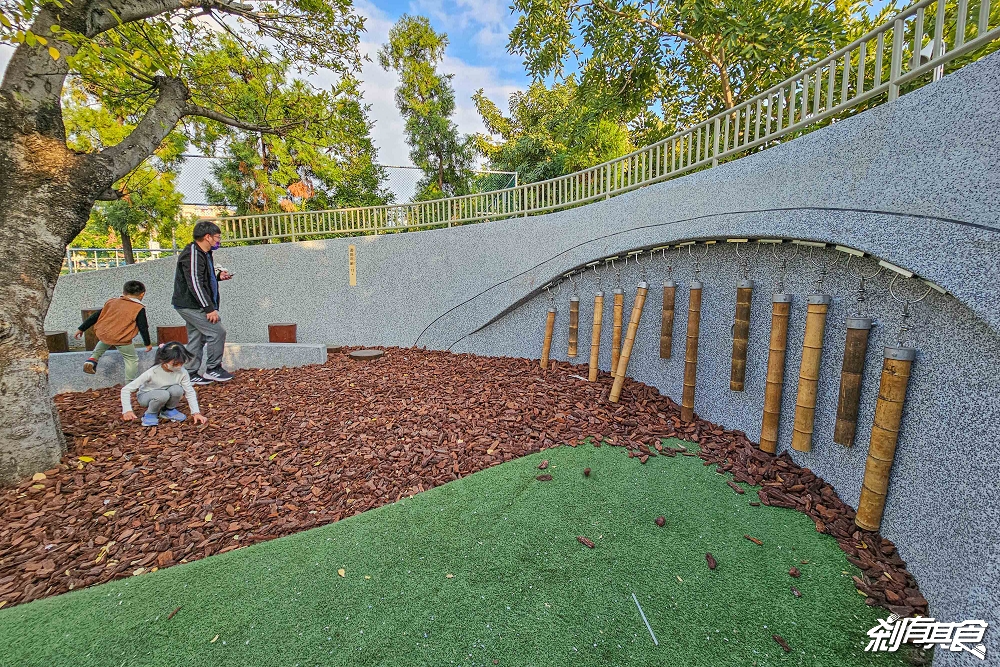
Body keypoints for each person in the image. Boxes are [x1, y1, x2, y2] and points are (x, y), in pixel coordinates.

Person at [171, 220, 235, 385]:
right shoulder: (192, 253)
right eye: (217, 237)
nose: (218, 241)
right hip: (191, 305)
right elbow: (195, 282)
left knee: (197, 337)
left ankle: (190, 374)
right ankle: (213, 369)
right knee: (217, 332)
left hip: (194, 303)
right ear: (208, 237)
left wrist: (218, 277)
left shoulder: (204, 254)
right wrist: (209, 308)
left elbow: (203, 278)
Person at [75, 280, 152, 382]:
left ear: (124, 292)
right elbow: (143, 327)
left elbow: (96, 315)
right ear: (142, 294)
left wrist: (81, 328)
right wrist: (147, 343)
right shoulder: (138, 308)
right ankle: (129, 384)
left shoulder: (112, 302)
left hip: (105, 333)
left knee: (105, 341)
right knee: (131, 359)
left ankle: (93, 359)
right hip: (121, 338)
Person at [121, 342, 208, 427]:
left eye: (182, 363)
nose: (179, 366)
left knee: (177, 389)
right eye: (175, 364)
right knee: (163, 394)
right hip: (146, 396)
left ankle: (168, 410)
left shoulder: (182, 372)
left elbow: (189, 391)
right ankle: (150, 413)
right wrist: (127, 410)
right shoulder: (153, 372)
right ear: (163, 361)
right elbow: (126, 389)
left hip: (165, 394)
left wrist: (196, 413)